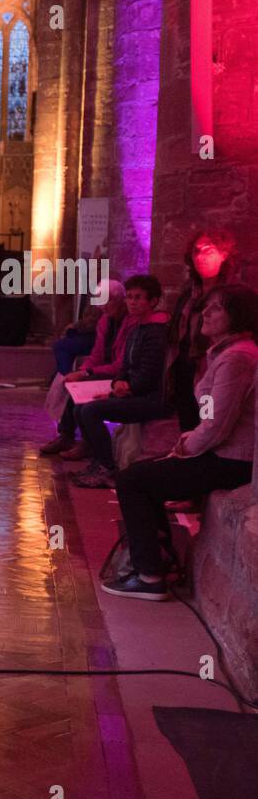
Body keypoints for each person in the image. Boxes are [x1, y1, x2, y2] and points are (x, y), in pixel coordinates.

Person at [106, 284, 258, 600]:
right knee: (141, 474)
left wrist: (185, 449)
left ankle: (149, 576)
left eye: (216, 308)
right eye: (206, 306)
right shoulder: (227, 353)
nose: (206, 313)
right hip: (221, 452)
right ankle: (158, 558)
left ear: (238, 316)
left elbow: (217, 424)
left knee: (133, 480)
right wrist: (188, 442)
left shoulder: (237, 357)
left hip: (232, 461)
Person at [71, 275, 170, 488]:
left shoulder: (156, 332)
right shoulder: (136, 329)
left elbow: (149, 374)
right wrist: (117, 383)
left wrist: (124, 389)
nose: (132, 302)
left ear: (152, 301)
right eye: (130, 297)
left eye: (139, 298)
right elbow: (124, 365)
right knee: (80, 408)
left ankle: (107, 468)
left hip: (150, 398)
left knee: (91, 411)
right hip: (131, 391)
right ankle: (98, 460)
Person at [41, 280, 128, 458]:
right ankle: (66, 435)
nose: (102, 306)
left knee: (84, 392)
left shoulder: (129, 322)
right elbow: (96, 354)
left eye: (107, 300)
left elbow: (121, 363)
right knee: (74, 383)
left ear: (120, 300)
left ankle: (88, 443)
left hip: (120, 374)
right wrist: (81, 371)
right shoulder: (105, 320)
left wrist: (88, 373)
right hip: (106, 369)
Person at [165, 229, 236, 431]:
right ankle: (188, 456)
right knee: (187, 417)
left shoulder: (231, 293)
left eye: (208, 250)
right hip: (184, 365)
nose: (201, 256)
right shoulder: (190, 291)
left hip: (210, 368)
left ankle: (203, 456)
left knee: (207, 418)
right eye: (196, 251)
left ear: (223, 255)